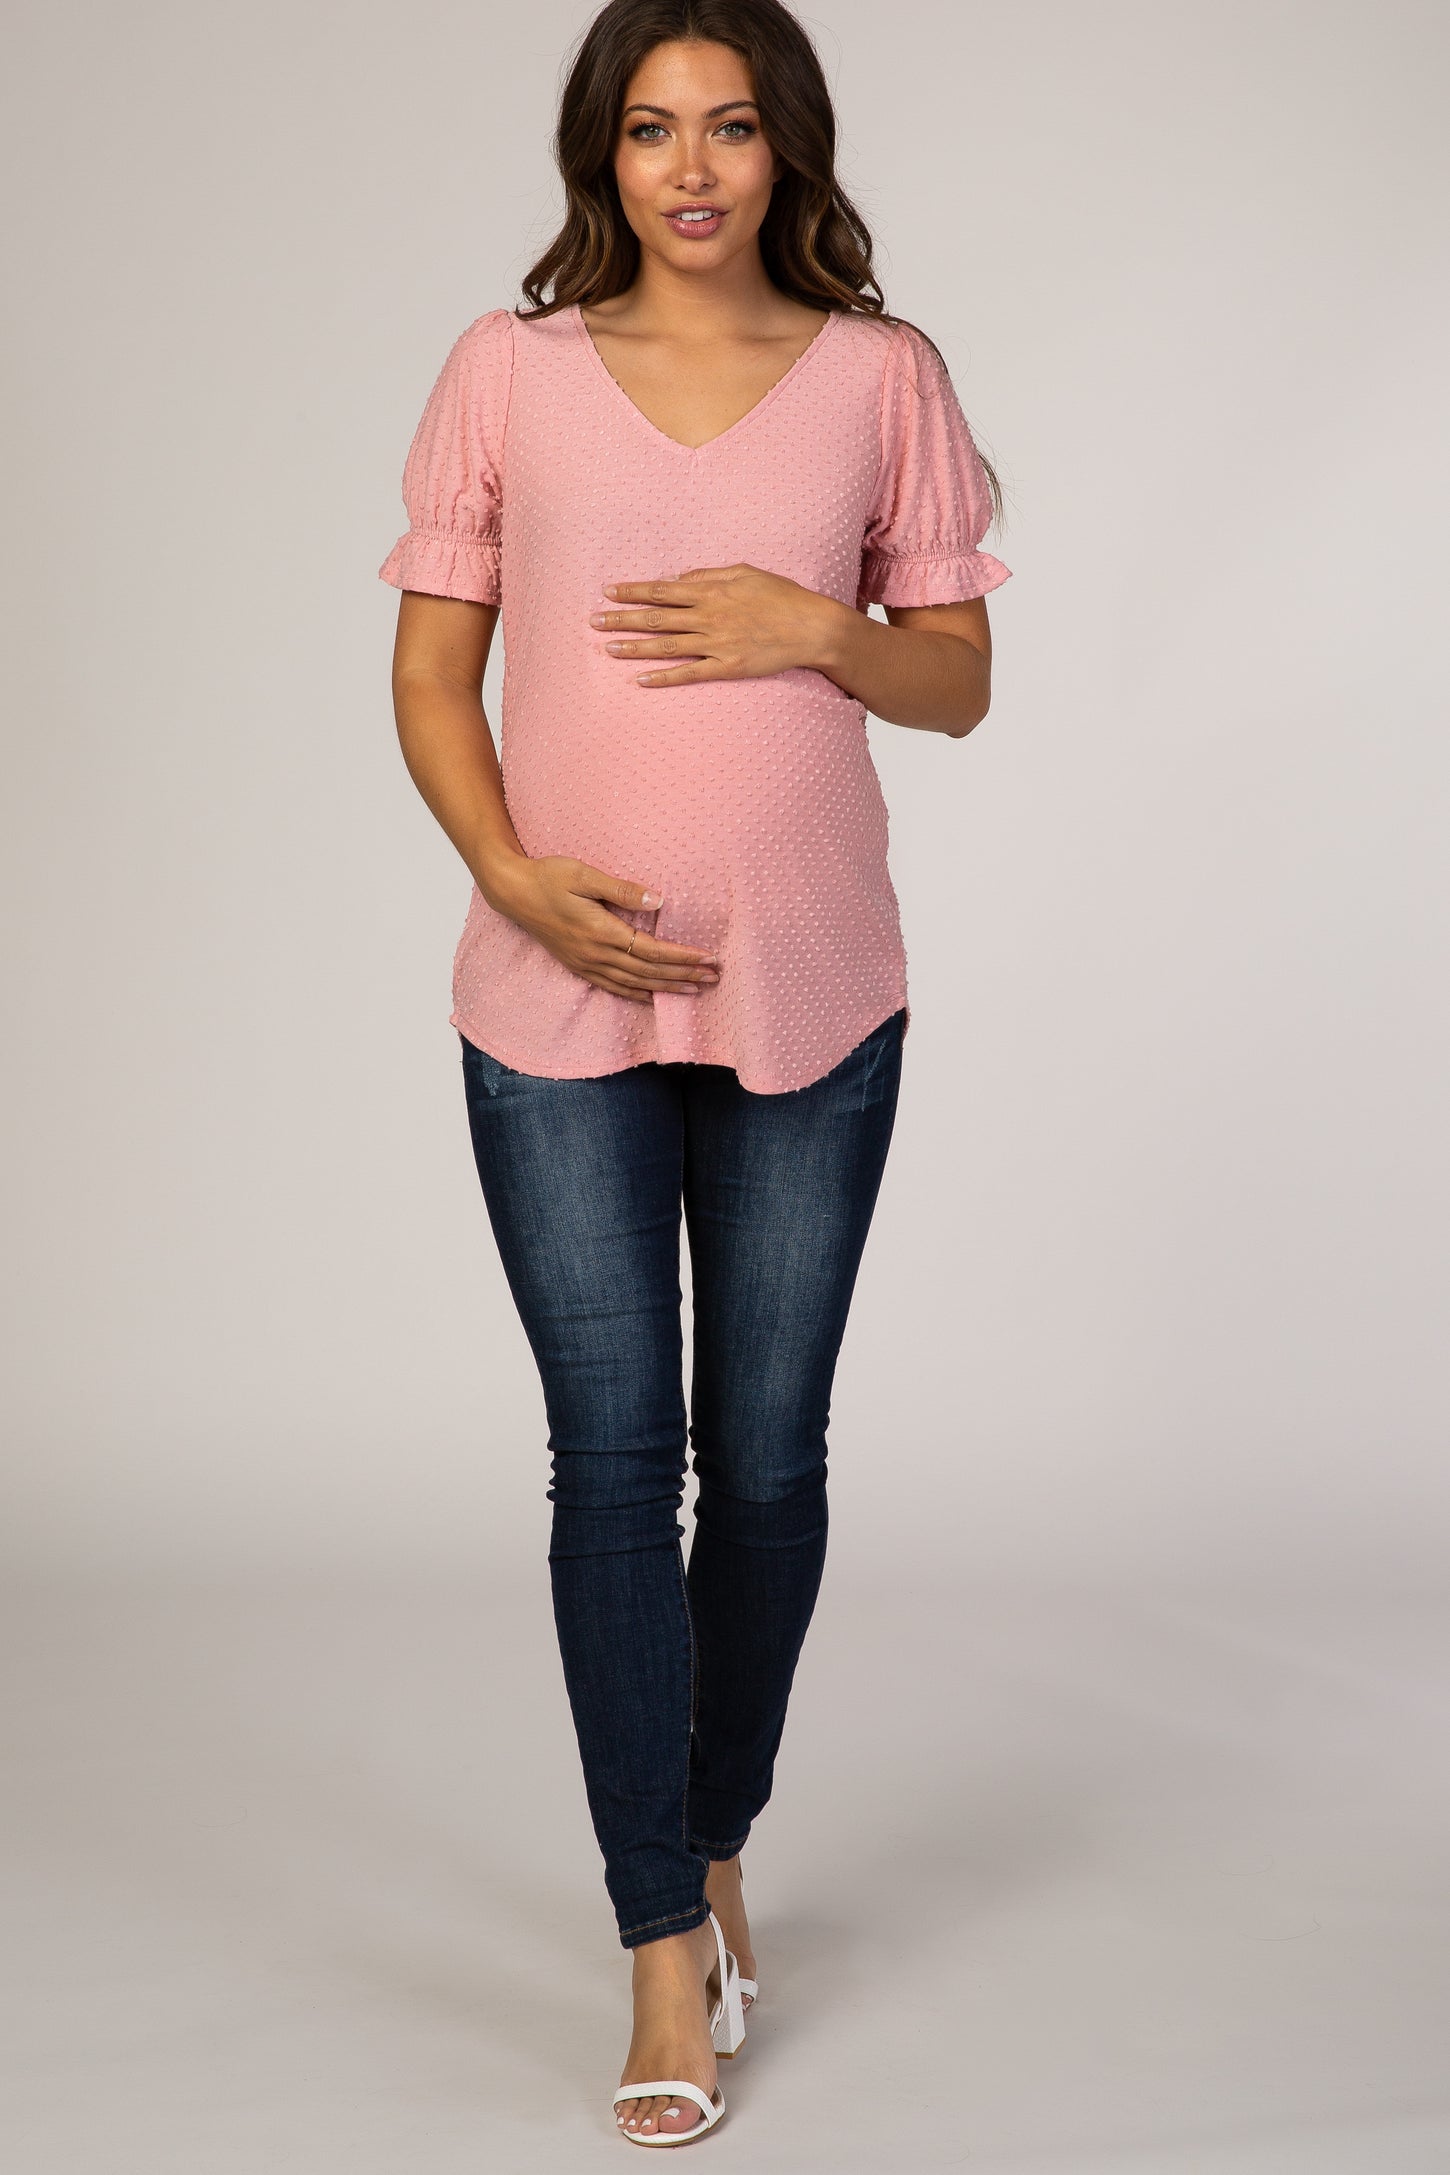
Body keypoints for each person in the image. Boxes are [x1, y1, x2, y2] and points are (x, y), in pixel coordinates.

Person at [378, 0, 1011, 2145]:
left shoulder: (881, 378)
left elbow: (958, 686)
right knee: (607, 1464)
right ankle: (660, 1931)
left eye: (730, 127)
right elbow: (431, 670)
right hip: (548, 1001)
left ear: (783, 149)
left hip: (812, 996)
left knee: (763, 1465)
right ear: (602, 154)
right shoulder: (507, 372)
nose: (690, 168)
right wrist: (510, 877)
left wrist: (815, 626)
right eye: (650, 129)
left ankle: (715, 1828)